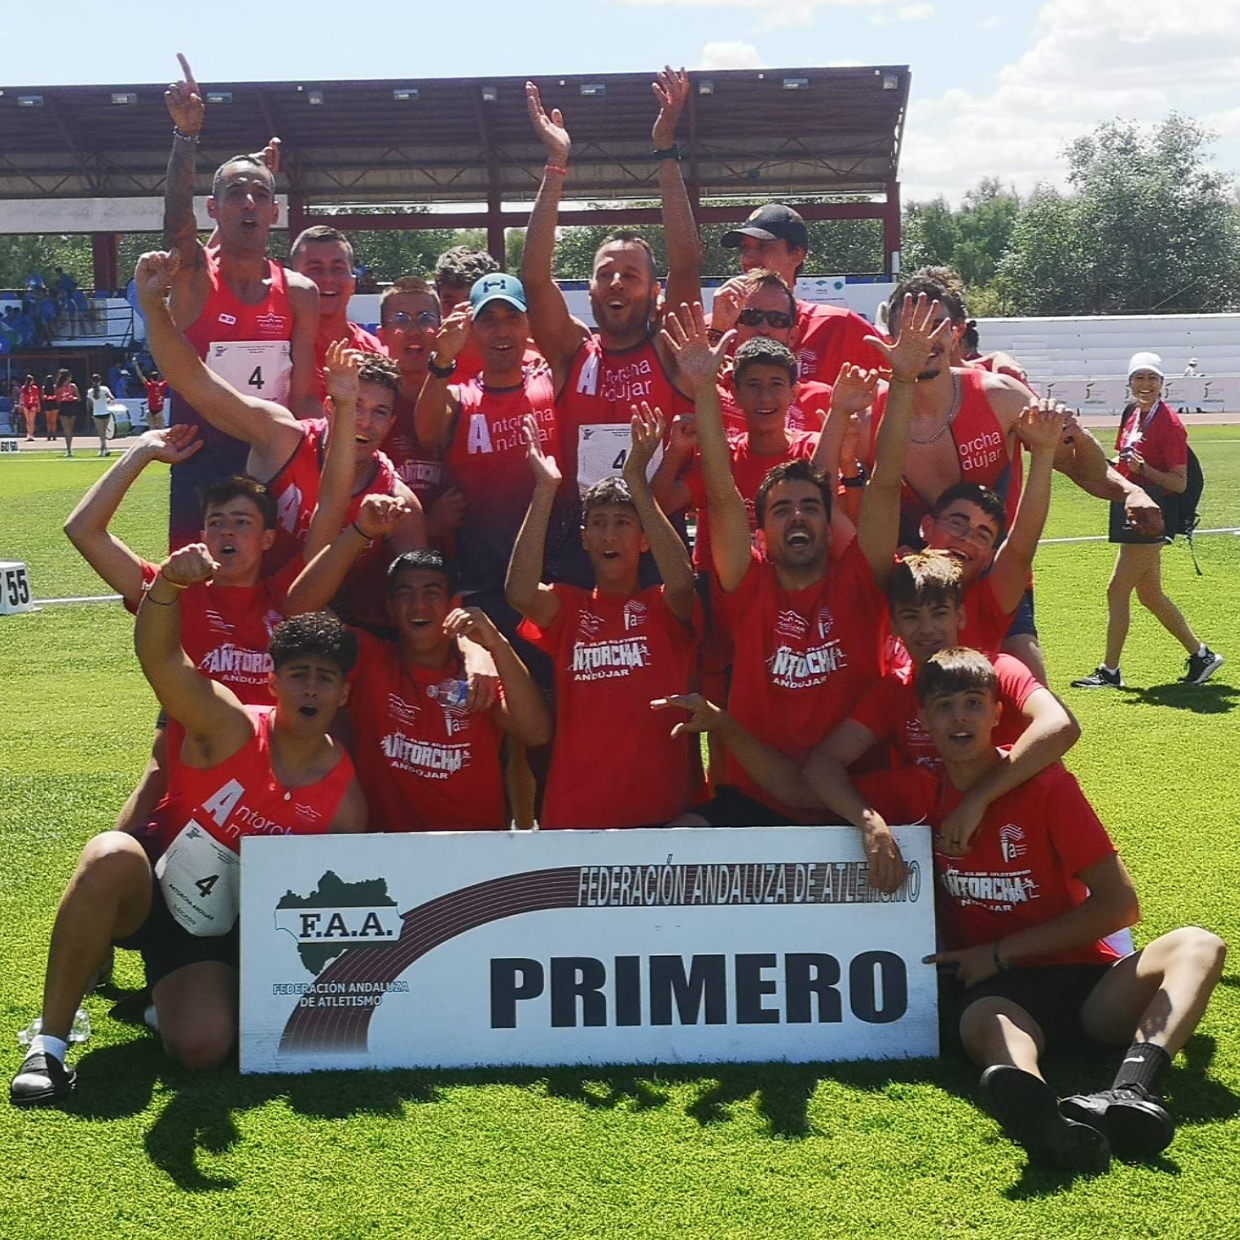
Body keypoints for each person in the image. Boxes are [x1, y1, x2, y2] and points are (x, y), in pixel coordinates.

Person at [858, 648, 1226, 1171]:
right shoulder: (915, 791)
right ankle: (1044, 1120)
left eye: (972, 703)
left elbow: (1120, 906)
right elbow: (807, 786)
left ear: (996, 714)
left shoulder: (1048, 785)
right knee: (989, 1022)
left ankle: (1130, 1092)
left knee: (1199, 944)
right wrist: (868, 821)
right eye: (942, 706)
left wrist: (1000, 952)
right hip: (1001, 997)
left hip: (1088, 987)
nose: (959, 717)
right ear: (922, 720)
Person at [9, 595, 365, 1107]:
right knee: (109, 853)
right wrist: (170, 584)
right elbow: (160, 659)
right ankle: (49, 1045)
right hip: (151, 894)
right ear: (273, 681)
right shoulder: (229, 726)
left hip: (218, 931)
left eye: (325, 678)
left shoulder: (346, 800)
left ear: (344, 692)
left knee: (202, 1048)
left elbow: (327, 911)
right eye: (298, 674)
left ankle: (163, 1004)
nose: (310, 688)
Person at [662, 297, 945, 825]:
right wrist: (703, 388)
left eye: (811, 507)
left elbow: (885, 484)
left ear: (829, 517)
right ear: (761, 527)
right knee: (680, 836)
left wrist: (903, 382)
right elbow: (723, 492)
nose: (797, 518)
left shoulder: (861, 579)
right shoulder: (746, 581)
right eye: (782, 509)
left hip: (852, 799)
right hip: (759, 799)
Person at [859, 271, 1161, 683]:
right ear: (890, 335)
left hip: (1000, 579)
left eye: (934, 325)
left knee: (1033, 695)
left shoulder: (1001, 397)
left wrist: (1129, 490)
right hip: (911, 590)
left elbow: (1076, 462)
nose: (921, 338)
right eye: (907, 327)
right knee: (899, 705)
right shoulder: (868, 416)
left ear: (957, 330)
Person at [135, 250, 425, 627]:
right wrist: (153, 303)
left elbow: (421, 589)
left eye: (380, 412)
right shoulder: (284, 438)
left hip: (316, 636)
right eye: (354, 405)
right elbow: (196, 384)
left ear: (391, 423)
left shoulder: (397, 502)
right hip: (235, 618)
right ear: (330, 405)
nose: (364, 422)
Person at [521, 67, 700, 582]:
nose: (618, 283)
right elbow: (535, 279)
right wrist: (557, 166)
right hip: (580, 542)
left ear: (654, 291)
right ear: (592, 292)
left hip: (657, 542)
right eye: (606, 275)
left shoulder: (670, 348)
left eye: (632, 274)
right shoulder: (572, 351)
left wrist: (665, 151)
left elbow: (686, 263)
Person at [507, 405, 702, 828]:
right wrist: (545, 489)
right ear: (584, 539)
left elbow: (684, 583)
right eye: (597, 523)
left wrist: (639, 485)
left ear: (645, 540)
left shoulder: (663, 606)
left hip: (661, 817)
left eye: (622, 523)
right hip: (577, 818)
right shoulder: (569, 607)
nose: (609, 534)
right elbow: (520, 593)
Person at [161, 53, 319, 547]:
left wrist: (313, 459)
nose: (248, 203)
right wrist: (186, 136)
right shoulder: (196, 279)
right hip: (199, 467)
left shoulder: (299, 292)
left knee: (273, 596)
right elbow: (176, 225)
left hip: (270, 465)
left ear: (275, 211)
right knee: (198, 595)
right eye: (234, 194)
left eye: (259, 195)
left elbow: (306, 393)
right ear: (214, 209)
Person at [287, 542, 551, 831]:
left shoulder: (480, 672)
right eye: (405, 594)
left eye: (432, 593)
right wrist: (360, 534)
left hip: (473, 856)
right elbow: (299, 610)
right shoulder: (369, 659)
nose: (418, 604)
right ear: (389, 608)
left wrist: (494, 644)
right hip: (388, 851)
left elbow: (536, 732)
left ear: (454, 606)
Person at [1072, 352, 1224, 688]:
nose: (1145, 384)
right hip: (1132, 510)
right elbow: (1123, 460)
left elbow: (1178, 482)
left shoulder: (1169, 424)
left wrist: (1145, 471)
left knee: (1116, 590)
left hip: (1152, 516)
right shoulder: (1132, 414)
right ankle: (1202, 656)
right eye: (1139, 378)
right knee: (1150, 595)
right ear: (1129, 383)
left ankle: (1110, 671)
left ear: (1162, 384)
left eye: (1151, 379)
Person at [714, 203, 881, 384]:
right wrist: (717, 332)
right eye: (744, 248)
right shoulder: (716, 325)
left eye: (763, 246)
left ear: (797, 254)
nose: (748, 258)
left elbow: (902, 375)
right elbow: (691, 396)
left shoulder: (839, 325)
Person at [377, 274, 463, 545]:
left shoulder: (463, 395)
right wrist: (428, 525)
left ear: (440, 328)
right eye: (401, 319)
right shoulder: (369, 406)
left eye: (425, 318)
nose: (414, 330)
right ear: (382, 335)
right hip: (388, 560)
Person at [287, 224, 384, 401]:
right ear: (293, 283)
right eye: (315, 269)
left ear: (353, 284)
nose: (328, 278)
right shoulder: (273, 349)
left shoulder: (376, 354)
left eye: (338, 269)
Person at [133, 357, 169, 430]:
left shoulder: (150, 386)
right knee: (162, 430)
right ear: (158, 378)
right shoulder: (162, 385)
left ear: (151, 379)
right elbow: (169, 377)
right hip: (159, 410)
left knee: (152, 430)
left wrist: (136, 365)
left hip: (151, 410)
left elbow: (141, 376)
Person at [86, 374, 116, 457]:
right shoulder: (105, 389)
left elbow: (90, 403)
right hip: (106, 412)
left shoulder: (90, 391)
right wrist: (107, 400)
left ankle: (104, 449)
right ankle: (104, 449)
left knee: (101, 433)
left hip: (97, 413)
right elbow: (112, 398)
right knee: (104, 432)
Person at [54, 369, 80, 457]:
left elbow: (79, 398)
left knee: (70, 429)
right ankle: (68, 449)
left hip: (71, 406)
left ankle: (70, 447)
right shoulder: (58, 387)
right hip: (64, 406)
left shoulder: (72, 386)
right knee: (66, 429)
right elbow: (57, 399)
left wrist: (73, 398)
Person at [19, 373, 41, 440]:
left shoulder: (34, 388)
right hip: (28, 405)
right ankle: (29, 434)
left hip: (30, 405)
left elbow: (36, 397)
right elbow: (22, 397)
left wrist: (38, 406)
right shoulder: (25, 388)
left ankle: (30, 434)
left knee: (29, 421)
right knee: (30, 421)